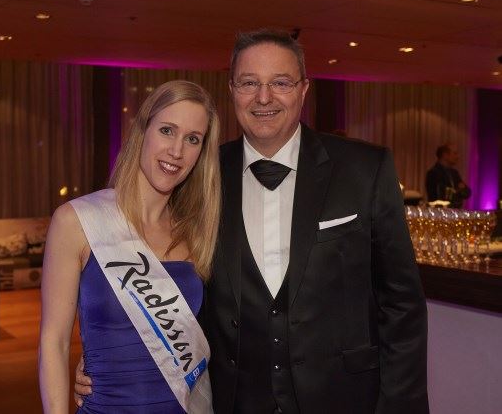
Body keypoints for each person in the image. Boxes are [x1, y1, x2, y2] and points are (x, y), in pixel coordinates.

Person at [77, 29, 428, 413]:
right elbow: (168, 288)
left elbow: (402, 305)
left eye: (280, 83)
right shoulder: (199, 175)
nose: (263, 97)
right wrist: (108, 360)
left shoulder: (365, 169)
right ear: (232, 90)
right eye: (249, 83)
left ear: (304, 90)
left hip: (344, 399)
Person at [39, 80, 221, 413]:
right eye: (167, 130)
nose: (177, 151)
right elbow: (54, 342)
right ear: (142, 130)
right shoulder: (77, 221)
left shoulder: (197, 236)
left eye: (192, 139)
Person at [425, 142, 471, 208]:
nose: (458, 157)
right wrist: (458, 191)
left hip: (454, 211)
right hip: (439, 212)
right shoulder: (433, 173)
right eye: (455, 153)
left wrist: (456, 192)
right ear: (445, 155)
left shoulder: (454, 173)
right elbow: (439, 196)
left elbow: (467, 193)